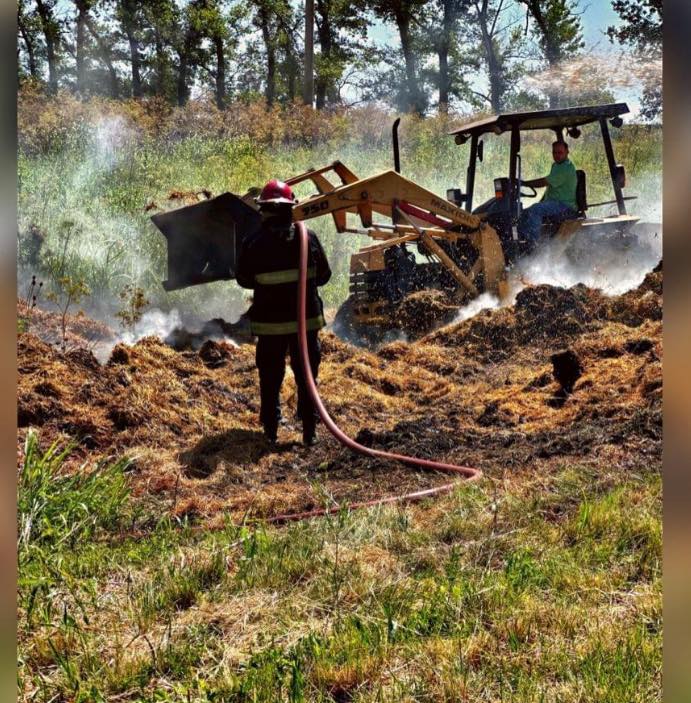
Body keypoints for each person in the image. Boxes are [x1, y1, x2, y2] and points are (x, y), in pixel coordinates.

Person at [236, 179, 332, 447]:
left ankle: (270, 429)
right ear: (291, 207)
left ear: (264, 209)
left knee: (270, 377)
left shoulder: (253, 242)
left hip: (270, 326)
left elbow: (243, 279)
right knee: (307, 376)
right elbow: (324, 275)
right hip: (306, 323)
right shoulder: (308, 238)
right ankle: (309, 430)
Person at [517, 140, 578, 249]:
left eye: (560, 152)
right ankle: (521, 244)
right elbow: (552, 188)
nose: (557, 155)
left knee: (536, 210)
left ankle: (534, 247)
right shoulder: (556, 165)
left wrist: (524, 183)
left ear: (567, 152)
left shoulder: (566, 168)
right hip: (555, 203)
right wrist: (541, 201)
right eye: (554, 152)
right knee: (523, 213)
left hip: (565, 206)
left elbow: (544, 182)